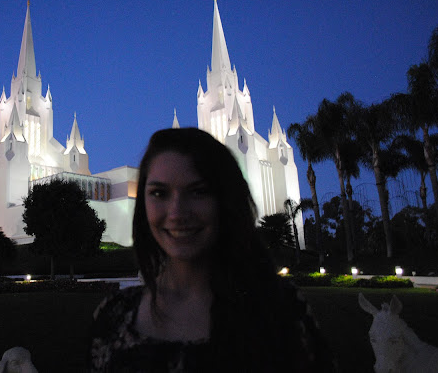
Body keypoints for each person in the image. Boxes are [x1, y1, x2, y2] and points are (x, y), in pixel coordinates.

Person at [89, 127, 334, 372]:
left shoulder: (282, 311)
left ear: (226, 200)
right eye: (159, 193)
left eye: (198, 191)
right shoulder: (113, 316)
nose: (176, 213)